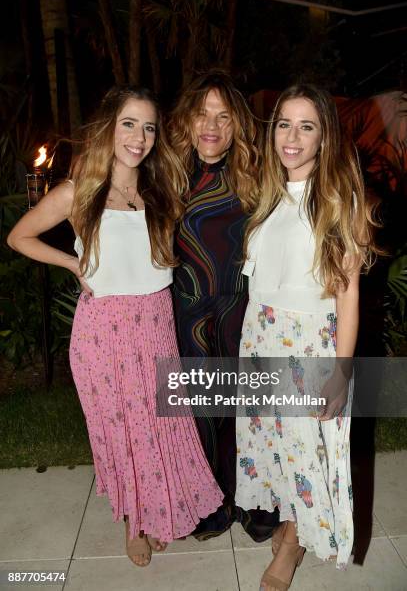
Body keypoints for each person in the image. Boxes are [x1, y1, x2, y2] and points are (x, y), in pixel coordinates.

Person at [7, 86, 224, 567]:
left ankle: (159, 506)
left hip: (156, 319)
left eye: (148, 127)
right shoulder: (79, 189)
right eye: (129, 123)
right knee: (124, 430)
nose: (139, 136)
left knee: (160, 425)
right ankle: (135, 522)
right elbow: (18, 236)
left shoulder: (159, 188)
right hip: (104, 329)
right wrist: (72, 262)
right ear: (109, 126)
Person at [235, 84, 376, 590]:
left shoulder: (339, 197)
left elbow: (347, 297)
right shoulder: (269, 193)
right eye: (284, 125)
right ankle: (290, 521)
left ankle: (292, 544)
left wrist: (340, 372)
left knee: (305, 449)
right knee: (275, 443)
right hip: (262, 336)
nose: (292, 137)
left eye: (307, 126)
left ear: (324, 138)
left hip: (308, 345)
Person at [169, 71, 280, 540]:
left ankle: (256, 502)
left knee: (249, 408)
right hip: (188, 310)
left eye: (223, 116)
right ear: (187, 122)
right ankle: (212, 501)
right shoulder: (164, 174)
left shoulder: (257, 175)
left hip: (242, 310)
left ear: (237, 126)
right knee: (201, 411)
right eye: (202, 114)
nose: (211, 126)